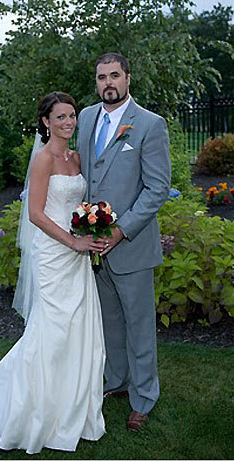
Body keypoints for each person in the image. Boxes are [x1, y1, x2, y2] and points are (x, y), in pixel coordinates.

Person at [0, 92, 106, 454]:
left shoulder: (76, 158)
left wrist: (91, 225)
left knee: (78, 330)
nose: (68, 122)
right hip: (54, 254)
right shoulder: (43, 159)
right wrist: (73, 242)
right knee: (51, 332)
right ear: (46, 122)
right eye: (60, 117)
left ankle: (73, 405)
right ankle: (29, 410)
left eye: (72, 116)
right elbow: (36, 214)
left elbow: (78, 203)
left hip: (77, 254)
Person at [77, 52, 171, 432]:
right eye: (102, 77)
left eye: (114, 75)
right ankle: (117, 381)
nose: (108, 83)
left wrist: (119, 231)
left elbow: (157, 188)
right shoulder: (86, 118)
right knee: (110, 324)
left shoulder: (149, 124)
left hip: (131, 246)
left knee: (139, 327)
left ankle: (144, 397)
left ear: (128, 78)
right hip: (94, 249)